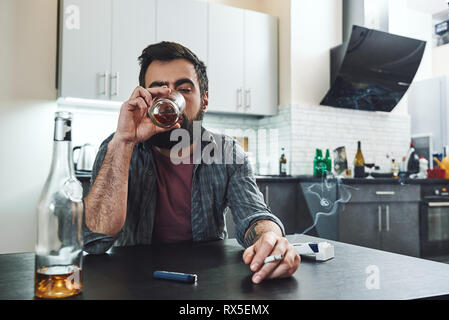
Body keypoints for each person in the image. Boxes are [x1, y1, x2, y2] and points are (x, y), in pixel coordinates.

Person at [83, 41, 300, 284]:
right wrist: (123, 141)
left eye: (184, 89)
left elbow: (254, 216)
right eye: (158, 90)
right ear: (146, 99)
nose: (170, 97)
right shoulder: (118, 147)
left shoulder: (227, 152)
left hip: (205, 281)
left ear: (204, 100)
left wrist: (270, 238)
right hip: (134, 282)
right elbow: (94, 240)